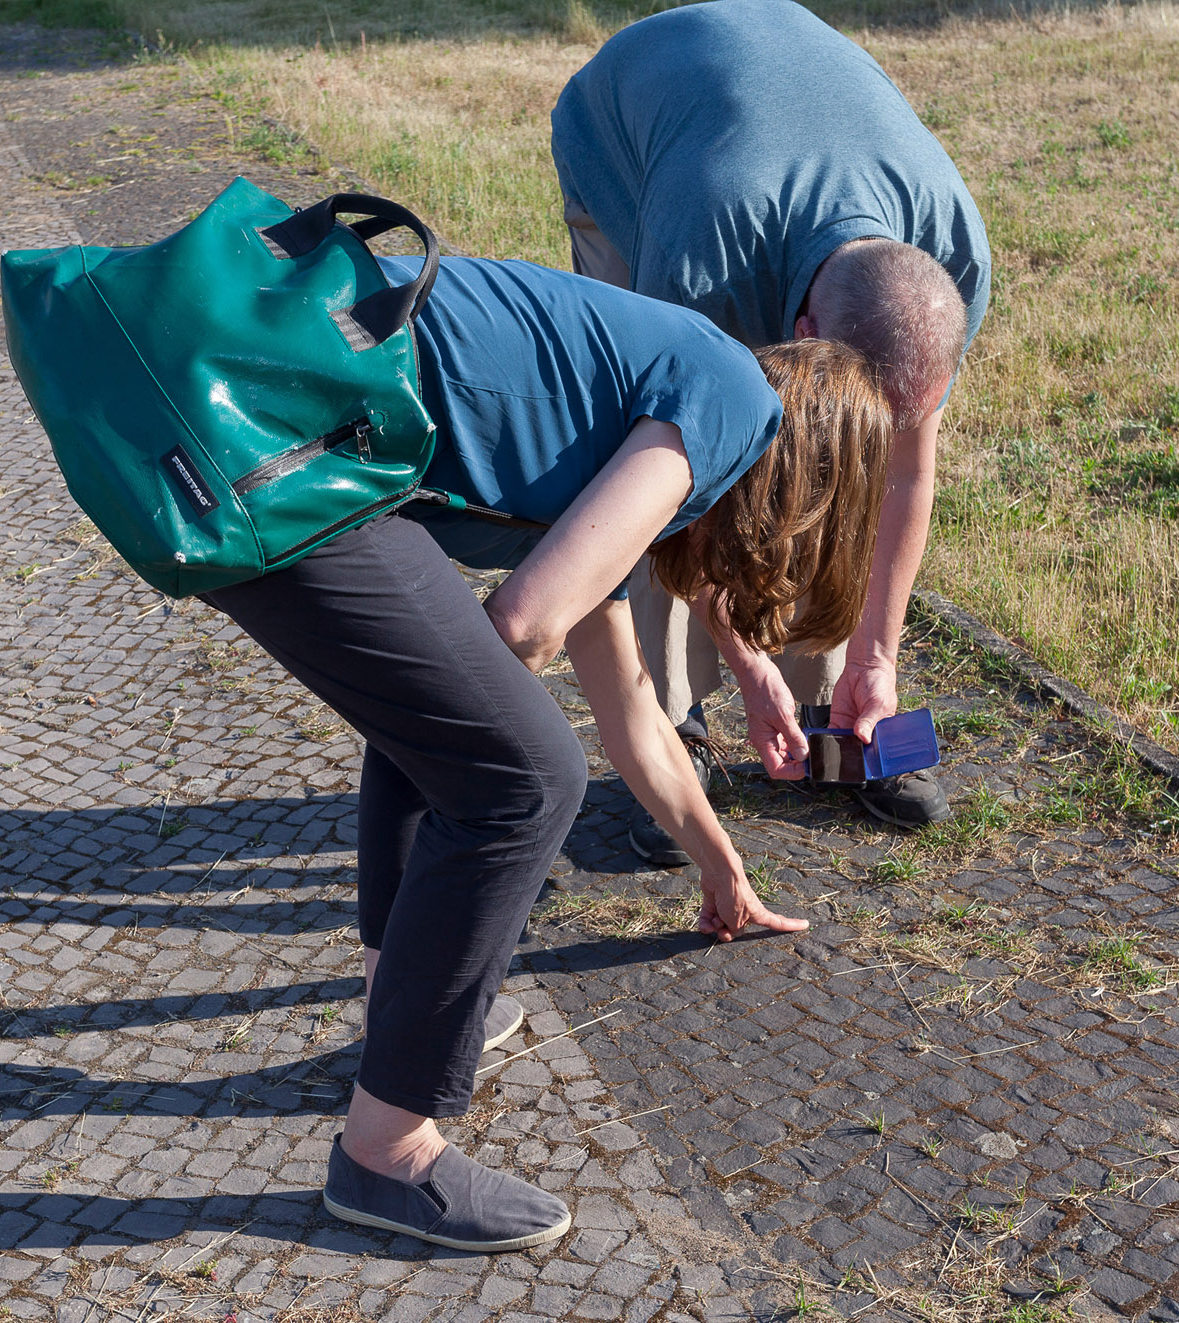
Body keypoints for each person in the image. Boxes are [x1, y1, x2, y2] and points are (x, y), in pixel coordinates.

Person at [200, 254, 894, 1252]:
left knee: (447, 710)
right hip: (256, 419)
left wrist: (719, 864)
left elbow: (638, 715)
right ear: (816, 481)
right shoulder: (732, 401)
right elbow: (525, 624)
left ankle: (395, 998)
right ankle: (385, 1153)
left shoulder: (620, 427)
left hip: (267, 409)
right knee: (524, 776)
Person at [550, 0, 991, 860]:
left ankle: (836, 702)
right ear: (801, 326)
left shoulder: (951, 262)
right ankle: (673, 727)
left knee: (831, 460)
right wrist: (745, 660)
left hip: (777, 110)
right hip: (629, 125)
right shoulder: (700, 265)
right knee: (651, 456)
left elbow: (903, 475)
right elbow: (681, 499)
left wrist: (878, 656)